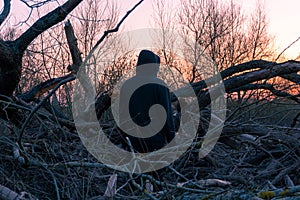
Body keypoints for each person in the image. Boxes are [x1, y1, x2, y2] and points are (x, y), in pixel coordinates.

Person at [118, 49, 175, 153]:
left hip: (132, 143)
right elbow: (167, 116)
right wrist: (173, 142)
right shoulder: (159, 85)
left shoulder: (126, 85)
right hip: (155, 144)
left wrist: (124, 143)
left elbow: (122, 116)